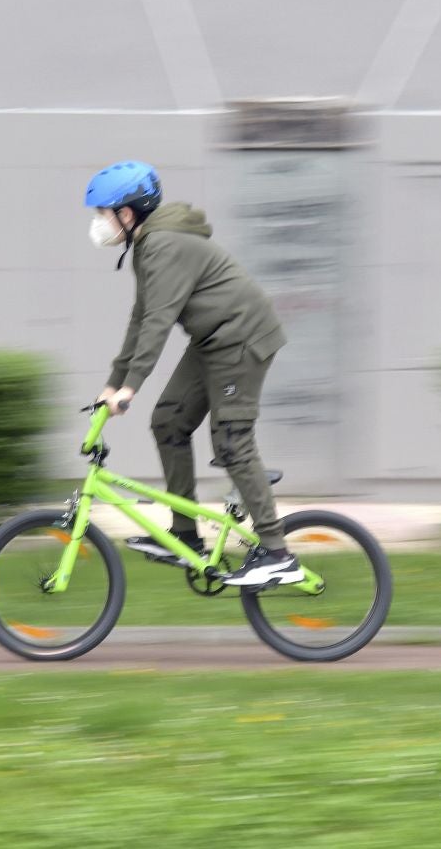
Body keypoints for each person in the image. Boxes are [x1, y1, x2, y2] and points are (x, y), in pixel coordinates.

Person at [85, 160, 299, 587]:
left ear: (127, 214)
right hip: (213, 342)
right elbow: (140, 319)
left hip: (241, 339)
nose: (99, 224)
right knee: (168, 421)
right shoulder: (147, 249)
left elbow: (158, 323)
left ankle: (277, 553)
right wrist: (115, 380)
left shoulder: (163, 245)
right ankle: (184, 536)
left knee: (232, 439)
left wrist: (130, 387)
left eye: (103, 214)